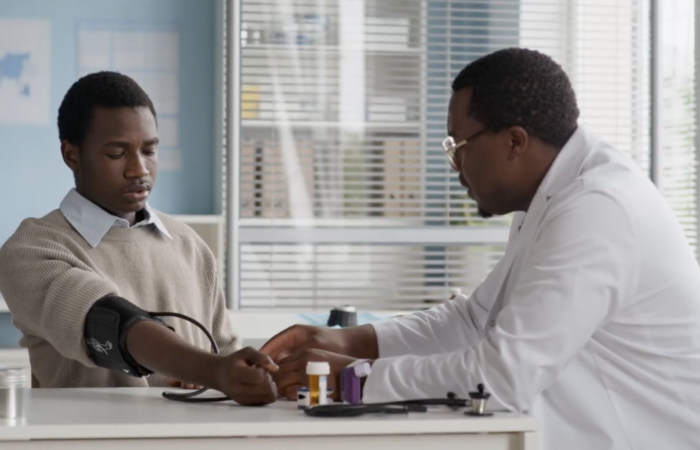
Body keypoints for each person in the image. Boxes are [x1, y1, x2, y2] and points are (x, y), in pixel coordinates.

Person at [261, 48, 700, 449]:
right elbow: (474, 320)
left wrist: (350, 376)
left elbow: (503, 375)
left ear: (514, 141)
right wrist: (348, 340)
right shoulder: (555, 195)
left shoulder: (597, 208)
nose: (455, 168)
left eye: (460, 147)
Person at [0, 72, 277, 406]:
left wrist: (256, 376)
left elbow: (228, 357)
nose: (139, 169)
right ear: (72, 155)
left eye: (149, 150)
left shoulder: (190, 245)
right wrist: (213, 370)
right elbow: (107, 323)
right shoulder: (31, 249)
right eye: (117, 154)